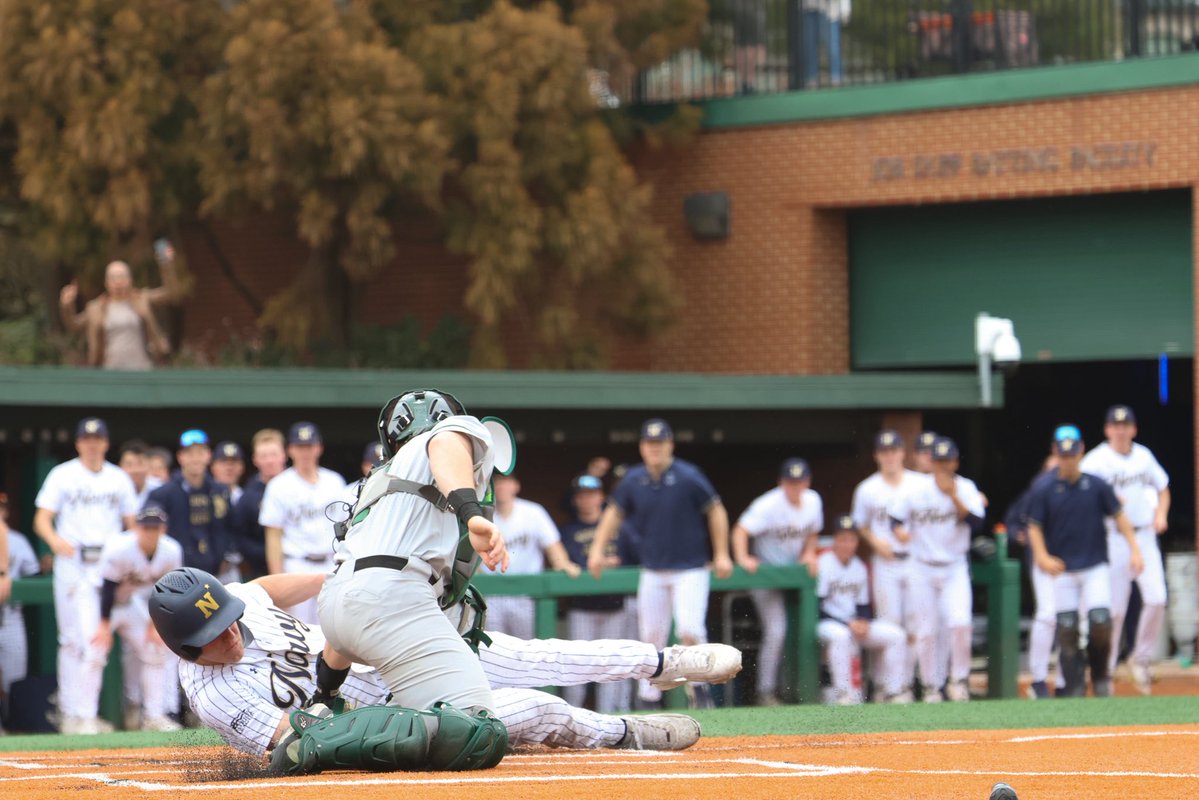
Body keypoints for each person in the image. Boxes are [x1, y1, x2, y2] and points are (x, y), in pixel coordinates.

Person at [147, 568, 730, 773]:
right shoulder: (214, 694)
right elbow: (293, 744)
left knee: (530, 654)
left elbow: (266, 589)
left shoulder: (235, 607)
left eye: (226, 618)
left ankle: (664, 662)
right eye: (211, 635)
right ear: (183, 650)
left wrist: (334, 578)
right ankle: (625, 734)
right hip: (389, 719)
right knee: (536, 709)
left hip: (390, 651)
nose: (228, 631)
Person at [314, 389, 509, 722]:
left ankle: (320, 713)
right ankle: (335, 738)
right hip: (391, 596)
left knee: (459, 613)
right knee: (475, 724)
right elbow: (445, 444)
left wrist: (326, 692)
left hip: (336, 607)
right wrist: (472, 515)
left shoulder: (377, 484)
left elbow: (354, 605)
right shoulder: (448, 434)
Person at [587, 418, 734, 708]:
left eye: (660, 443)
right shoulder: (633, 478)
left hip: (690, 568)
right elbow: (614, 513)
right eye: (649, 443)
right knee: (651, 636)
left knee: (690, 629)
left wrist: (722, 553)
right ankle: (649, 697)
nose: (654, 448)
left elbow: (716, 510)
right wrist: (596, 550)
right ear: (642, 447)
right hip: (653, 569)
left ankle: (700, 691)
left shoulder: (688, 475)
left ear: (670, 445)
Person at [33, 416, 139, 734]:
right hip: (74, 561)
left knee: (97, 640)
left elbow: (131, 523)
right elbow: (42, 519)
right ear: (79, 442)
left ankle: (82, 713)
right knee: (75, 640)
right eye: (86, 439)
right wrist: (54, 542)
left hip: (108, 562)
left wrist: (130, 562)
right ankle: (76, 714)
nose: (92, 444)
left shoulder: (118, 477)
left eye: (98, 439)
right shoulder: (62, 474)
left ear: (105, 443)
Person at [1027, 432, 1143, 697]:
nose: (1068, 461)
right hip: (1063, 569)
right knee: (1066, 626)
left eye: (1072, 455)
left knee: (1100, 620)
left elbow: (1120, 516)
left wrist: (1135, 549)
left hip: (1094, 565)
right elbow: (1033, 526)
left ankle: (1101, 675)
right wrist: (1042, 556)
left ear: (1081, 453)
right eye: (1063, 456)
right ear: (1056, 455)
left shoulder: (1097, 485)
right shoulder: (1044, 488)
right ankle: (1074, 682)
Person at [1079, 405, 1170, 694]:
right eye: (1115, 425)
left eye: (1125, 425)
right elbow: (1080, 496)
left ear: (1133, 428)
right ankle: (1105, 670)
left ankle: (1139, 659)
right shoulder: (1095, 461)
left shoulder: (1143, 456)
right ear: (1107, 430)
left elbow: (1163, 487)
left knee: (1157, 598)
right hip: (1113, 538)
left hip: (1143, 534)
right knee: (1115, 611)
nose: (1120, 430)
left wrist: (1161, 515)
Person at [889, 436, 985, 703]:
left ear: (954, 462)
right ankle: (932, 686)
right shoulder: (917, 490)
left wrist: (952, 495)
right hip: (922, 566)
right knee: (927, 630)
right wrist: (901, 533)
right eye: (938, 461)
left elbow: (978, 523)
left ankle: (958, 680)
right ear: (932, 462)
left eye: (947, 461)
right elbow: (894, 518)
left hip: (955, 566)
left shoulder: (965, 488)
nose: (942, 466)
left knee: (960, 623)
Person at [731, 457, 823, 706]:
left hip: (795, 576)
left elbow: (813, 531)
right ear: (782, 482)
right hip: (767, 574)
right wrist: (743, 557)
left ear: (808, 481)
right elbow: (740, 530)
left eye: (800, 481)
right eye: (791, 482)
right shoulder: (768, 504)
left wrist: (808, 552)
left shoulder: (813, 500)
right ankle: (766, 692)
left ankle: (797, 689)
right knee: (777, 630)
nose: (796, 487)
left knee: (803, 631)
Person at [91, 505, 183, 732]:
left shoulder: (171, 550)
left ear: (163, 529)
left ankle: (153, 716)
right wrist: (104, 625)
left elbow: (166, 590)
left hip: (131, 603)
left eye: (155, 527)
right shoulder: (120, 547)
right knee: (94, 651)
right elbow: (109, 587)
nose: (150, 532)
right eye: (146, 527)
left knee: (155, 650)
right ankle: (84, 717)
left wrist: (154, 625)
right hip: (99, 600)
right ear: (137, 528)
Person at [851, 430, 922, 701]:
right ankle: (884, 686)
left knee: (916, 624)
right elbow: (860, 524)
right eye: (885, 451)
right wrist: (875, 542)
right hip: (885, 562)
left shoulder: (919, 484)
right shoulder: (868, 488)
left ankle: (903, 686)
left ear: (903, 453)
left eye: (894, 450)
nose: (890, 456)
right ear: (877, 456)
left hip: (915, 561)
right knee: (889, 627)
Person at [559, 474, 637, 713]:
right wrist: (602, 562)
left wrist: (609, 563)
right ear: (575, 499)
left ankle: (613, 717)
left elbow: (632, 559)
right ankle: (572, 715)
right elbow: (574, 562)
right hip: (582, 608)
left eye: (592, 494)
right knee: (577, 667)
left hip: (615, 607)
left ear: (601, 497)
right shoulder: (568, 530)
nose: (587, 500)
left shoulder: (619, 528)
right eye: (582, 495)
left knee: (614, 667)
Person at [258, 422, 347, 624]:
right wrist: (278, 581)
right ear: (290, 450)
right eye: (300, 447)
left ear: (319, 448)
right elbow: (273, 536)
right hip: (296, 564)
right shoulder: (279, 485)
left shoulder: (335, 481)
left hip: (331, 563)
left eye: (309, 446)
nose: (305, 452)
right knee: (298, 633)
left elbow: (346, 530)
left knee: (334, 631)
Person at [817, 515, 908, 704]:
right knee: (841, 635)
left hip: (853, 623)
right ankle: (844, 693)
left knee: (896, 635)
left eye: (851, 539)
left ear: (857, 542)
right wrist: (849, 623)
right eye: (842, 539)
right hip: (827, 623)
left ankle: (892, 691)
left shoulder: (858, 566)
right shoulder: (824, 562)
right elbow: (818, 606)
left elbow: (863, 606)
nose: (847, 544)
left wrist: (863, 621)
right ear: (835, 540)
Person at [484, 473, 580, 640]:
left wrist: (563, 563)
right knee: (492, 647)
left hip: (526, 593)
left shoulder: (532, 512)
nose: (501, 487)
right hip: (492, 595)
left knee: (528, 647)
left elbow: (552, 545)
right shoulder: (481, 514)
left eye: (505, 482)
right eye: (496, 483)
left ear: (516, 486)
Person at [58, 245, 181, 369]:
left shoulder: (141, 299)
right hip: (110, 371)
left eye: (122, 277)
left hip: (141, 367)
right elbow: (74, 324)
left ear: (130, 280)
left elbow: (170, 292)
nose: (118, 282)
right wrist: (67, 305)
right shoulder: (95, 308)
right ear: (106, 283)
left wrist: (167, 266)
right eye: (113, 278)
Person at [0, 493, 40, 736]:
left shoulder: (18, 540)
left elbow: (34, 577)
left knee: (14, 676)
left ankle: (10, 723)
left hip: (11, 615)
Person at [231, 429, 287, 580]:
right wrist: (269, 553)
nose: (269, 461)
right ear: (255, 459)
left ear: (284, 455)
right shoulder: (247, 497)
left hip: (305, 561)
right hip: (263, 570)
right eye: (264, 456)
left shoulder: (299, 486)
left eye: (274, 454)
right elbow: (239, 537)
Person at [117, 440, 162, 507]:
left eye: (140, 463)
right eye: (129, 464)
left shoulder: (160, 489)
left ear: (148, 465)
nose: (135, 470)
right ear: (120, 466)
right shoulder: (111, 489)